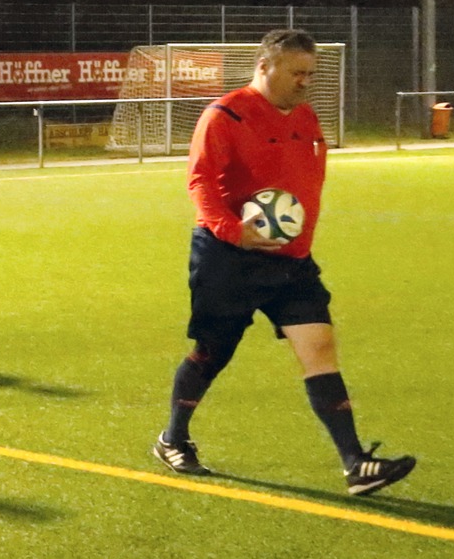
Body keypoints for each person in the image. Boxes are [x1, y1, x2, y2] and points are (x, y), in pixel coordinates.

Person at [153, 28, 416, 496]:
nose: (305, 81)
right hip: (228, 257)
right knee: (213, 352)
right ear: (265, 66)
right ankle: (173, 438)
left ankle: (355, 463)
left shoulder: (306, 116)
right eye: (297, 72)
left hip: (290, 261)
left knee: (319, 346)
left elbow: (307, 182)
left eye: (310, 73)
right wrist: (234, 230)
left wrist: (299, 240)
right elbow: (201, 182)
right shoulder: (225, 115)